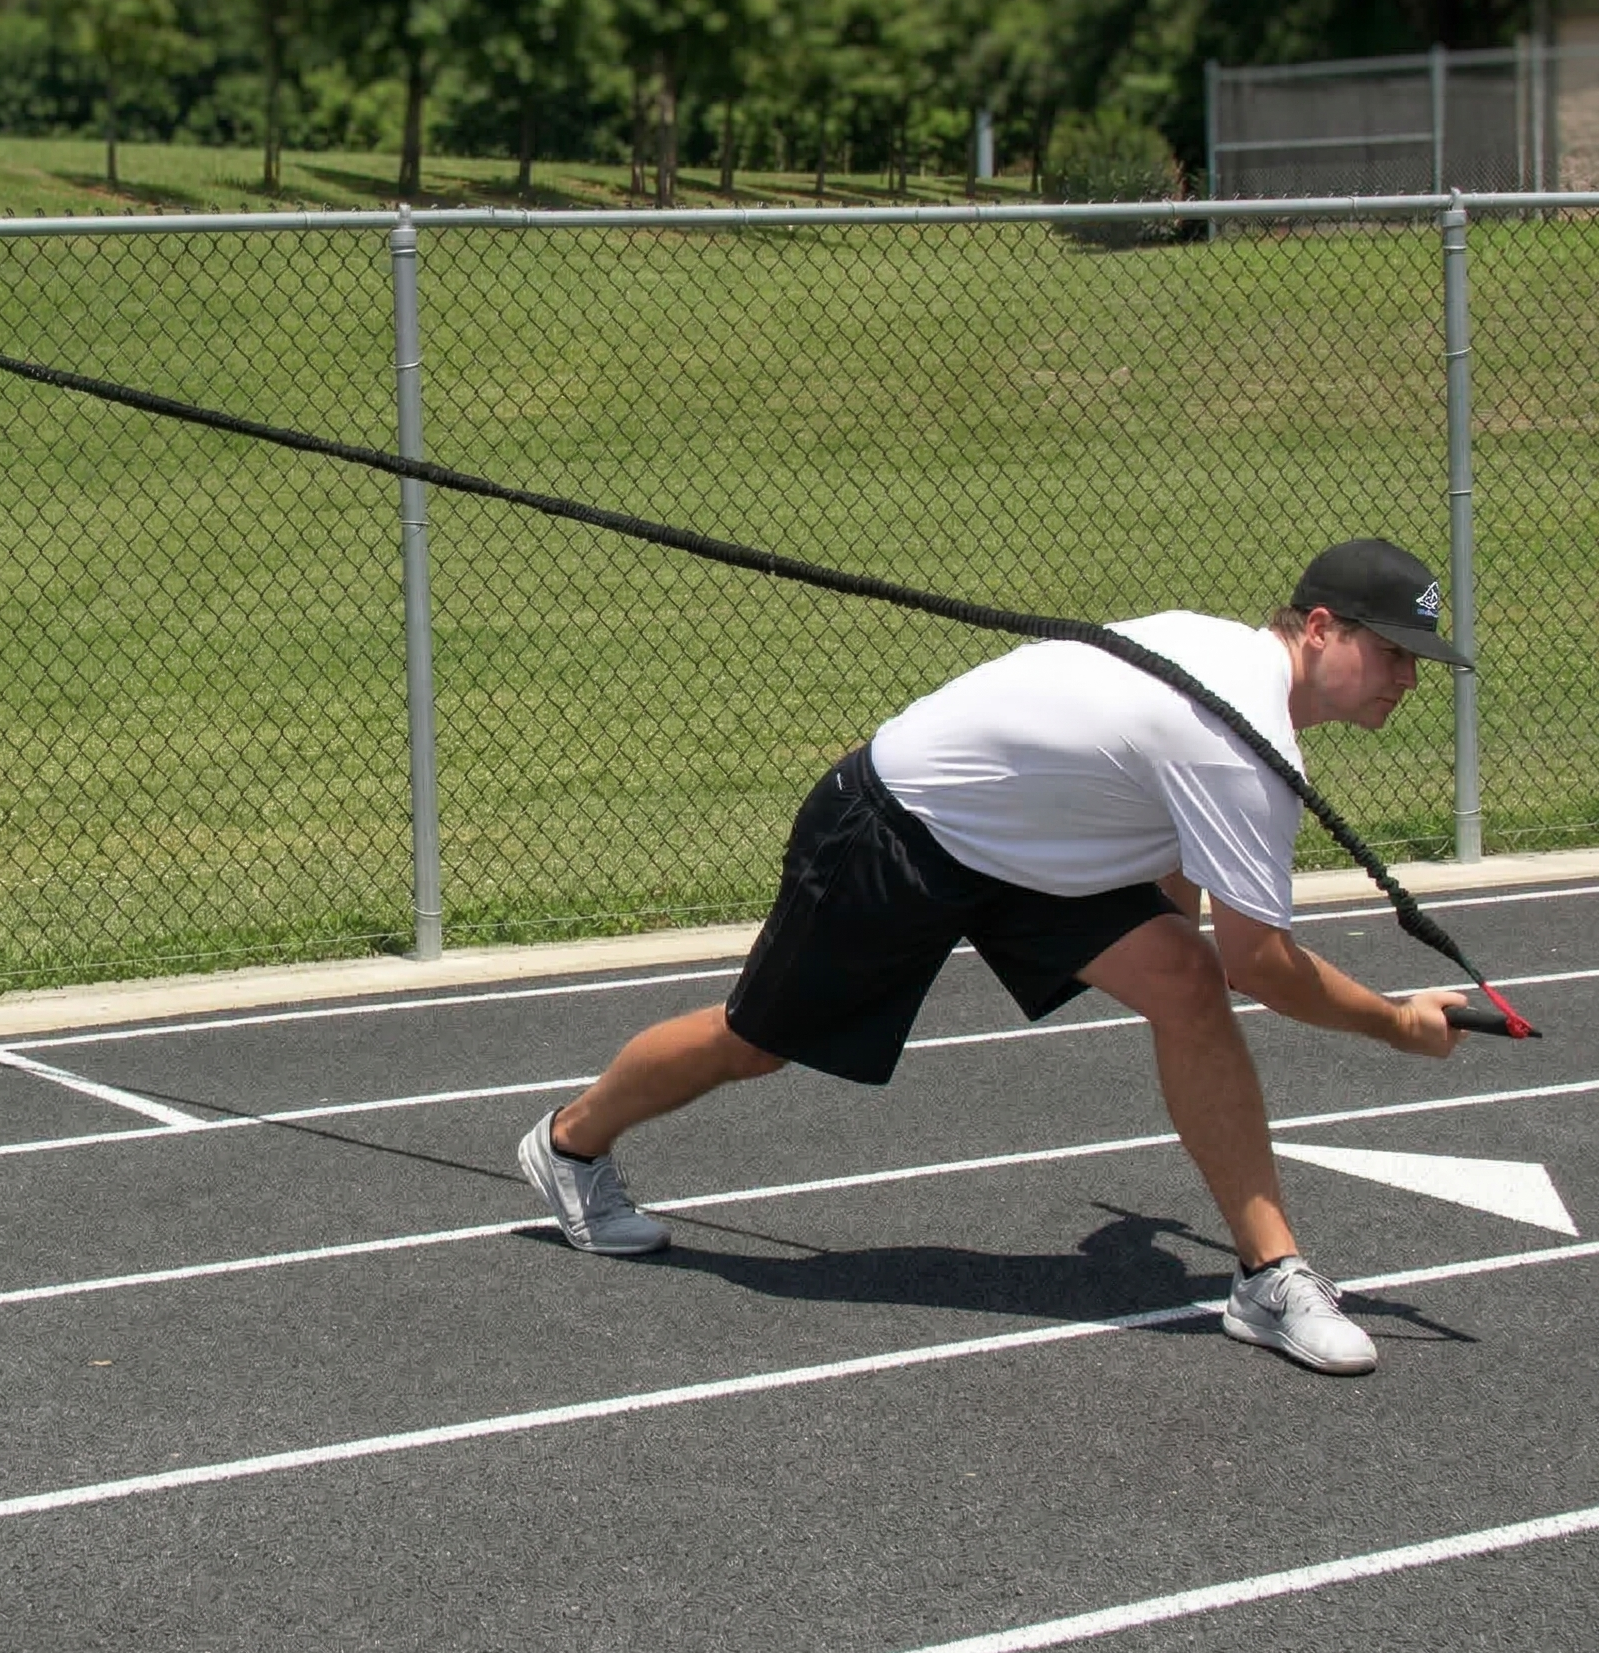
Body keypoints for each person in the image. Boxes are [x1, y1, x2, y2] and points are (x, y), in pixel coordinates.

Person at [518, 538, 1475, 1375]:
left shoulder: (1227, 671)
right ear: (1320, 628)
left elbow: (1194, 906)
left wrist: (1177, 945)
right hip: (901, 826)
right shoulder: (1239, 736)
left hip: (1030, 850)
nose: (1409, 678)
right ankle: (570, 1143)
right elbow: (1261, 962)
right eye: (1393, 651)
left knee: (1184, 982)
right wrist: (1398, 1024)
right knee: (753, 1043)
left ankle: (1268, 1275)